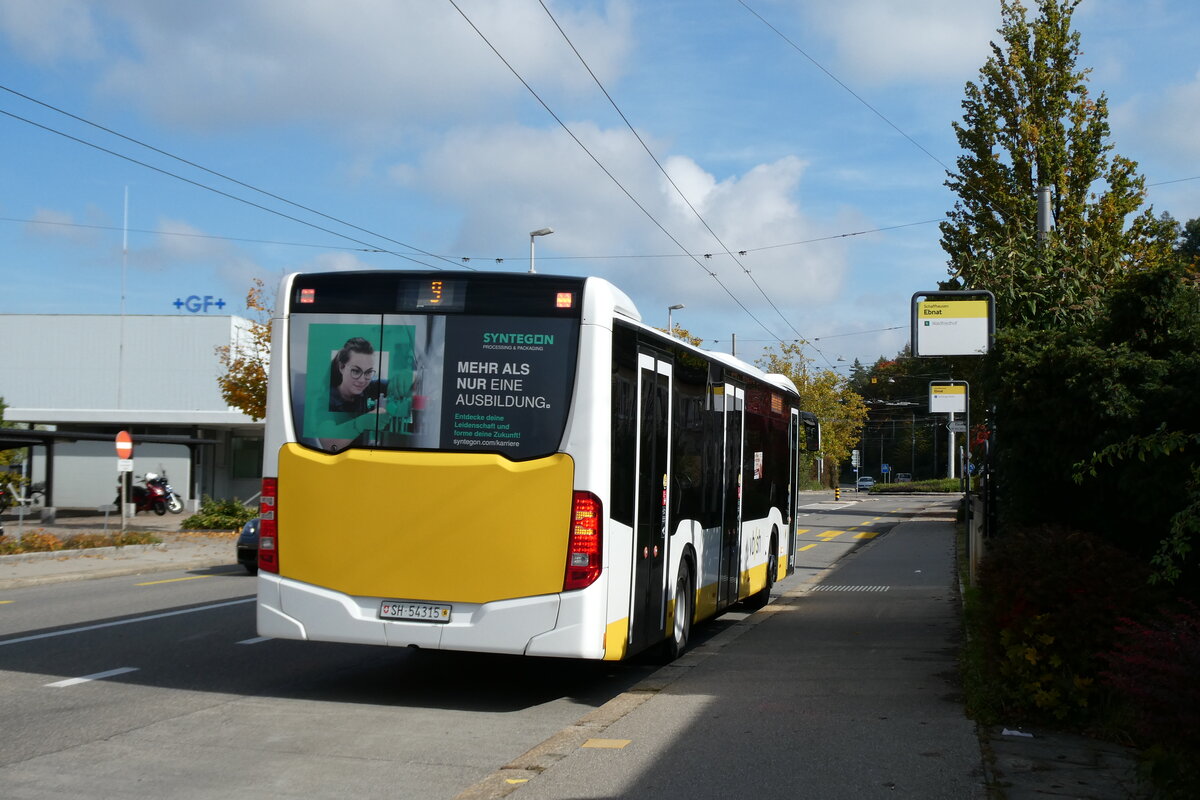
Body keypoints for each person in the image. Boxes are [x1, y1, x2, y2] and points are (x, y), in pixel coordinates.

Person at [328, 337, 380, 413]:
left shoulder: (368, 388)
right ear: (342, 367)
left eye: (368, 372)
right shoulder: (326, 400)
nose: (362, 380)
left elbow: (391, 383)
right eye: (356, 371)